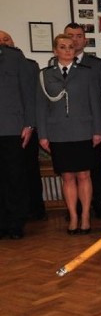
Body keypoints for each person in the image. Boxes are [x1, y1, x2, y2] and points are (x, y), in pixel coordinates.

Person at [36, 34, 101, 234]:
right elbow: (40, 107)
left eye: (70, 47)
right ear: (55, 50)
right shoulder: (45, 75)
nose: (67, 50)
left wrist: (98, 130)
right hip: (58, 132)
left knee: (84, 175)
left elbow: (95, 102)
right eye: (62, 46)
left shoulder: (86, 73)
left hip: (84, 130)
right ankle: (73, 216)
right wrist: (43, 134)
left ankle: (85, 216)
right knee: (67, 176)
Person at [64, 22, 101, 219]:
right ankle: (75, 209)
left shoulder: (97, 65)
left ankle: (99, 205)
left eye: (78, 36)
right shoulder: (54, 64)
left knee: (95, 168)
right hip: (66, 128)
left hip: (92, 125)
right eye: (70, 35)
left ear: (85, 40)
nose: (74, 39)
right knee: (69, 172)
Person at [0, 29, 36, 239]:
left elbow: (29, 92)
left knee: (15, 179)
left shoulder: (15, 57)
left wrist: (29, 123)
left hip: (12, 128)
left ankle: (15, 223)